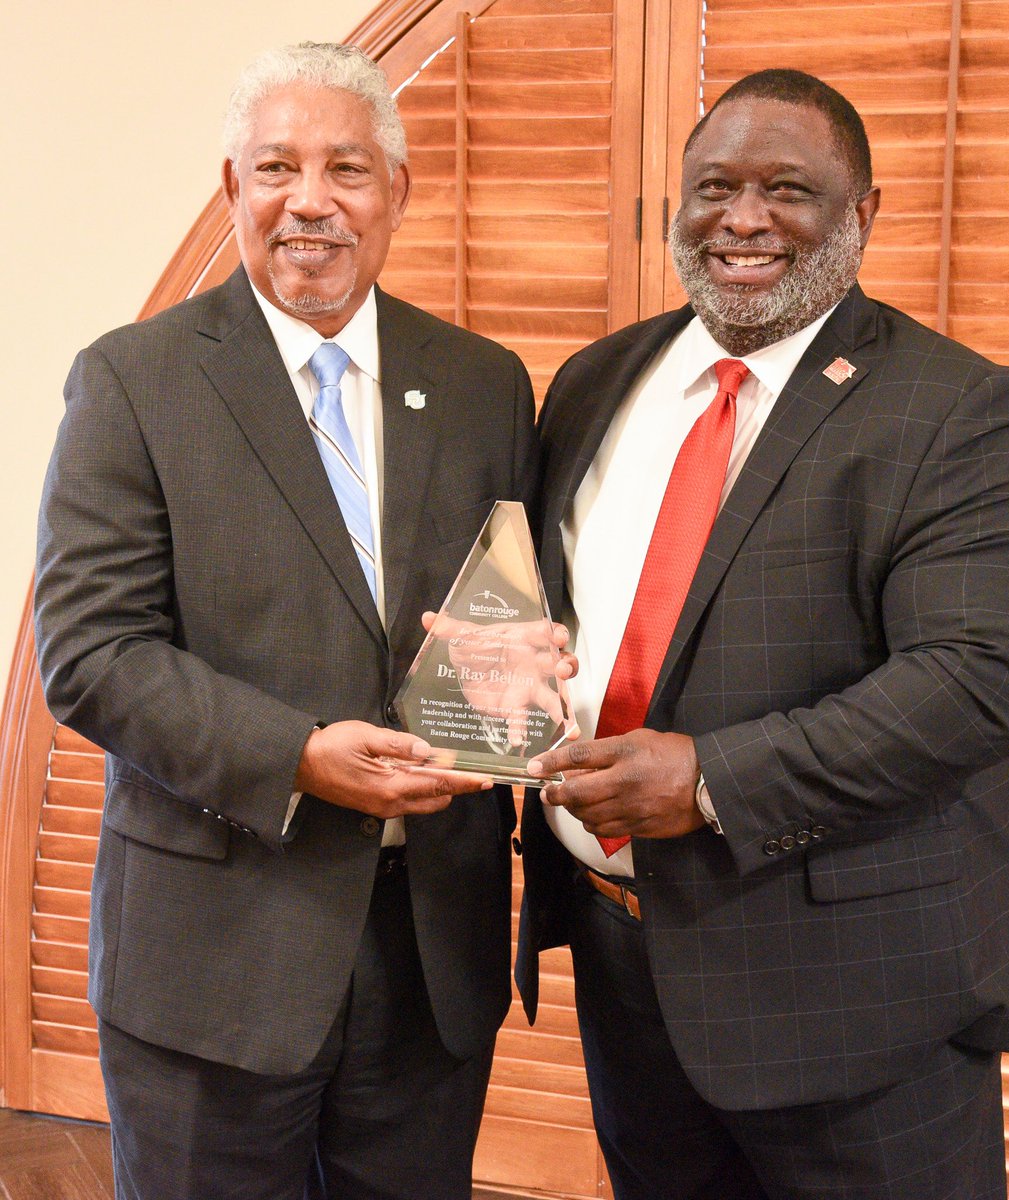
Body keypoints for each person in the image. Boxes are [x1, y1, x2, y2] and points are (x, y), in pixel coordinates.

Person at [517, 69, 1009, 1200]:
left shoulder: (961, 410)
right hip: (628, 967)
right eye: (713, 186)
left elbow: (975, 683)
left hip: (854, 1007)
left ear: (863, 213)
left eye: (789, 189)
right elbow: (554, 617)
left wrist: (711, 780)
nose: (742, 219)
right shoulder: (593, 383)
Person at [35, 42, 540, 1200]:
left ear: (398, 193)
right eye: (276, 167)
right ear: (232, 190)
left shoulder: (481, 382)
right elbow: (92, 653)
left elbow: (505, 609)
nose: (309, 200)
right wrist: (300, 760)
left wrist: (525, 672)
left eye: (347, 168)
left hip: (427, 961)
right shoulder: (133, 381)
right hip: (216, 956)